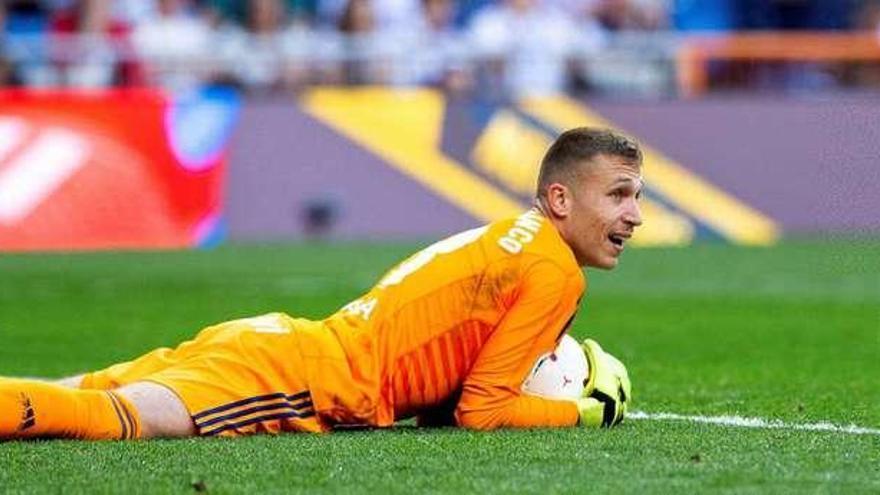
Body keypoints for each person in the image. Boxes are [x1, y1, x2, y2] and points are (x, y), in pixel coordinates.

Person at [0, 127, 643, 440]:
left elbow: (452, 399)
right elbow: (484, 412)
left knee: (80, 389)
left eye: (637, 198)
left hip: (282, 346)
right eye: (618, 196)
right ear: (559, 197)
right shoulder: (552, 270)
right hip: (297, 380)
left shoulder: (514, 236)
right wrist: (579, 412)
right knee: (117, 418)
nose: (634, 216)